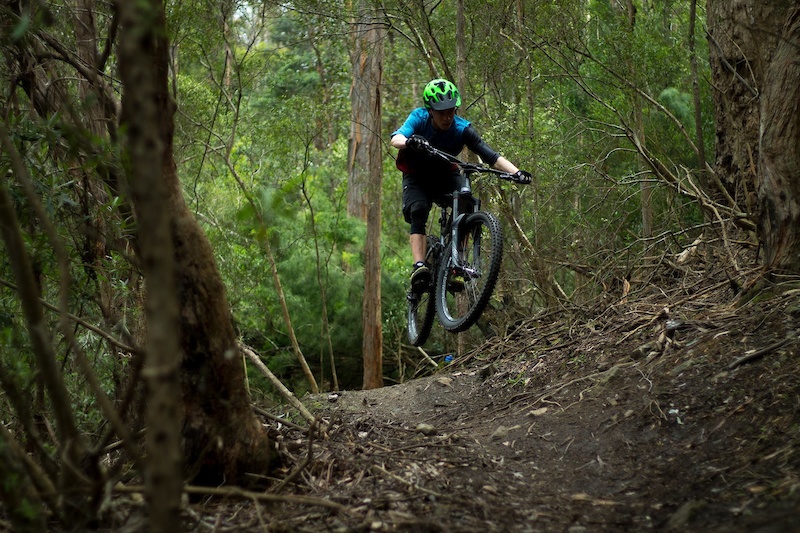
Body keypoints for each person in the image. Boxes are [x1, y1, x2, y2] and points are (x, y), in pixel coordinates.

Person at [390, 78, 531, 290]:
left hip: (445, 174)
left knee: (467, 203)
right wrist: (410, 141)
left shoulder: (462, 128)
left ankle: (457, 261)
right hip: (416, 176)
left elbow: (491, 156)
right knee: (418, 209)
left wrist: (516, 172)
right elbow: (396, 138)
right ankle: (419, 265)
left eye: (451, 111)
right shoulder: (418, 118)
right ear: (430, 111)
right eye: (441, 113)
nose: (447, 117)